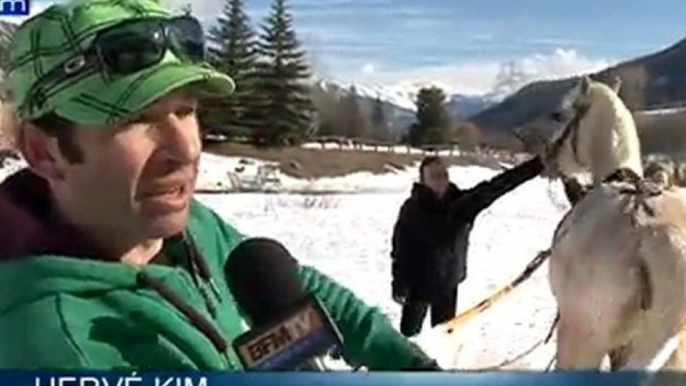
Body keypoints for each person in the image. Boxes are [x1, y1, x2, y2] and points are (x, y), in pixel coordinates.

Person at [0, 0, 438, 370]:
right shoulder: (64, 350)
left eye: (187, 110)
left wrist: (406, 362)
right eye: (137, 120)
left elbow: (293, 289)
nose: (186, 149)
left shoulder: (191, 228)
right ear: (43, 151)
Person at [391, 155, 544, 337]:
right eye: (433, 176)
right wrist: (399, 283)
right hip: (417, 286)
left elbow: (498, 185)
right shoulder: (412, 209)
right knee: (408, 337)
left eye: (443, 174)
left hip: (447, 285)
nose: (440, 180)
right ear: (423, 181)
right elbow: (401, 249)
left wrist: (538, 164)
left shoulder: (463, 205)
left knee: (443, 339)